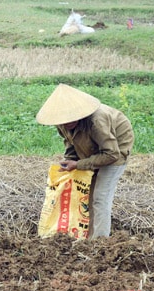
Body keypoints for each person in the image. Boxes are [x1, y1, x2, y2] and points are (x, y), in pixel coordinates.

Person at [36, 83, 134, 239]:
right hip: (91, 149)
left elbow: (111, 154)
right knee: (87, 196)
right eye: (63, 121)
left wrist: (79, 164)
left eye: (71, 118)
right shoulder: (62, 123)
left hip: (115, 150)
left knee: (101, 196)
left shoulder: (97, 121)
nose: (67, 123)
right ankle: (88, 236)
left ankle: (101, 243)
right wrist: (70, 160)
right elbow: (70, 142)